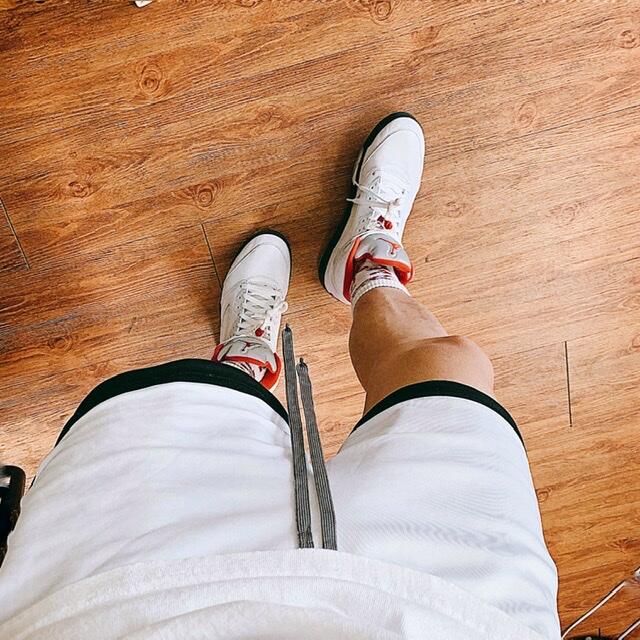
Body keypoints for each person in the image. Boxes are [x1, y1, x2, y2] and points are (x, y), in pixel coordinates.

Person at [0, 113, 560, 639]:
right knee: (450, 368)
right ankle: (369, 268)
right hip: (457, 615)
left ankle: (241, 368)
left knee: (188, 409)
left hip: (136, 605)